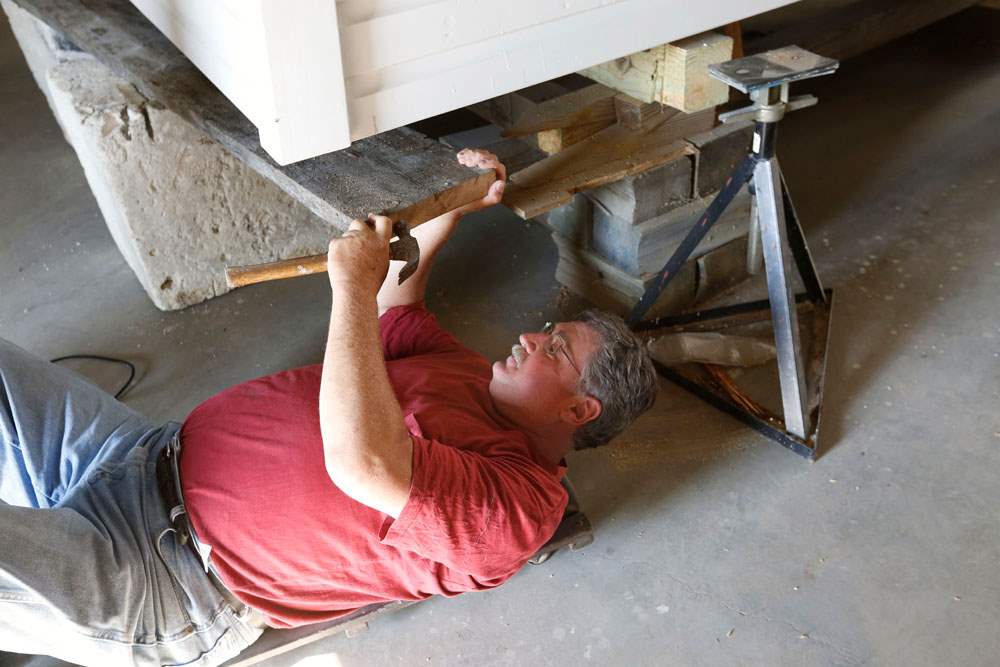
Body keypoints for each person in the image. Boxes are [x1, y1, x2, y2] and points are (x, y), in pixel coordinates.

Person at [0, 149, 658, 666]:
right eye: (547, 331)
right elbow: (395, 306)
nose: (531, 337)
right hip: (138, 456)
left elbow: (365, 465)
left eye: (556, 349)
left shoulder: (519, 509)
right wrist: (450, 212)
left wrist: (349, 287)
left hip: (163, 575)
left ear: (579, 411)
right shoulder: (468, 373)